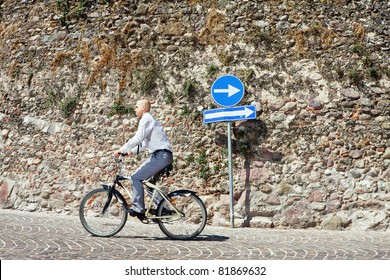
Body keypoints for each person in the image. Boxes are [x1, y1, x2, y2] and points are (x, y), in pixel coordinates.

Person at [114, 99, 173, 220]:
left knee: (136, 177)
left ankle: (138, 209)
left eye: (136, 106)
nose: (134, 109)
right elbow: (145, 143)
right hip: (162, 155)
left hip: (160, 156)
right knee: (150, 185)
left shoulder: (146, 118)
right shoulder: (149, 120)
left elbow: (138, 138)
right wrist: (132, 151)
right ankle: (164, 209)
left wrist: (122, 149)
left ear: (144, 108)